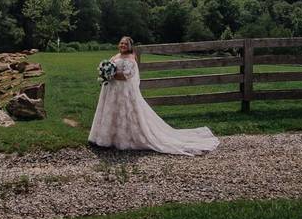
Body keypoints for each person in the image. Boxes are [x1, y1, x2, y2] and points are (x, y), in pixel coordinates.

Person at [88, 36, 219, 155]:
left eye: (125, 44)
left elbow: (126, 75)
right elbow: (110, 65)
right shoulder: (116, 56)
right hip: (112, 91)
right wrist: (104, 72)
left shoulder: (131, 59)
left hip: (124, 92)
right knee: (111, 112)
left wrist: (111, 75)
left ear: (130, 46)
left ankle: (124, 139)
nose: (123, 45)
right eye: (121, 43)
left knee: (125, 114)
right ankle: (106, 139)